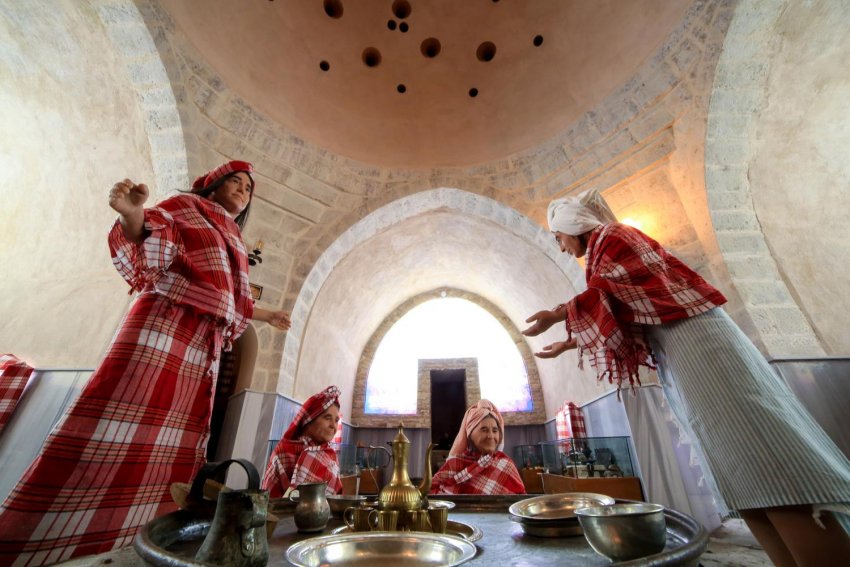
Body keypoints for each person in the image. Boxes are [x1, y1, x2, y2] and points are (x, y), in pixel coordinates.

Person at [522, 189, 850, 567]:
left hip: (708, 353)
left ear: (573, 226)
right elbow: (615, 309)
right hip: (684, 359)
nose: (559, 246)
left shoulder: (614, 237)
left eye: (557, 236)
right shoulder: (598, 257)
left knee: (769, 465)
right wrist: (568, 343)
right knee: (744, 480)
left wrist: (559, 313)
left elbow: (608, 294)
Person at [0, 160, 292, 564]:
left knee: (176, 441)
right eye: (235, 182)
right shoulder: (186, 207)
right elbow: (154, 235)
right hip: (166, 321)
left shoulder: (233, 238)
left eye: (248, 188)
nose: (242, 190)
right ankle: (40, 544)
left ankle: (142, 539)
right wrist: (132, 213)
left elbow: (232, 297)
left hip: (202, 341)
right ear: (211, 187)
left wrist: (270, 314)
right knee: (116, 422)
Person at [430, 399, 526, 495]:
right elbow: (432, 494)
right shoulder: (454, 463)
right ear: (470, 433)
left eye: (495, 430)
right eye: (484, 430)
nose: (490, 436)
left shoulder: (505, 465)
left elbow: (519, 504)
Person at [262, 385, 343, 497]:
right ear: (309, 420)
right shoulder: (284, 451)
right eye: (327, 418)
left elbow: (336, 496)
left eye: (336, 420)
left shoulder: (331, 456)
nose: (333, 425)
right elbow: (269, 496)